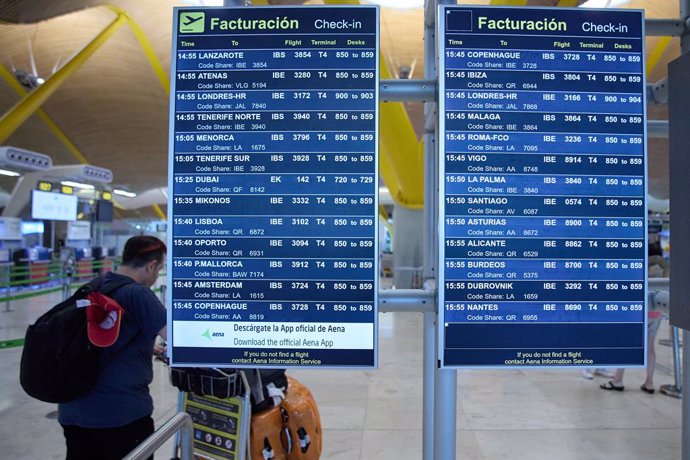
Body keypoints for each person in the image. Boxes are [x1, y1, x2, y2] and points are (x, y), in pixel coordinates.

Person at [58, 235, 167, 460]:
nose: (156, 277)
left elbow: (100, 337)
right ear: (151, 265)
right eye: (159, 270)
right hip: (120, 415)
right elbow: (177, 339)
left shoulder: (93, 286)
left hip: (73, 412)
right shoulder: (139, 294)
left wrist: (147, 346)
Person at [600, 290, 666, 394]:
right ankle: (649, 383)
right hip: (657, 305)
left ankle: (618, 380)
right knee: (650, 346)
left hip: (638, 305)